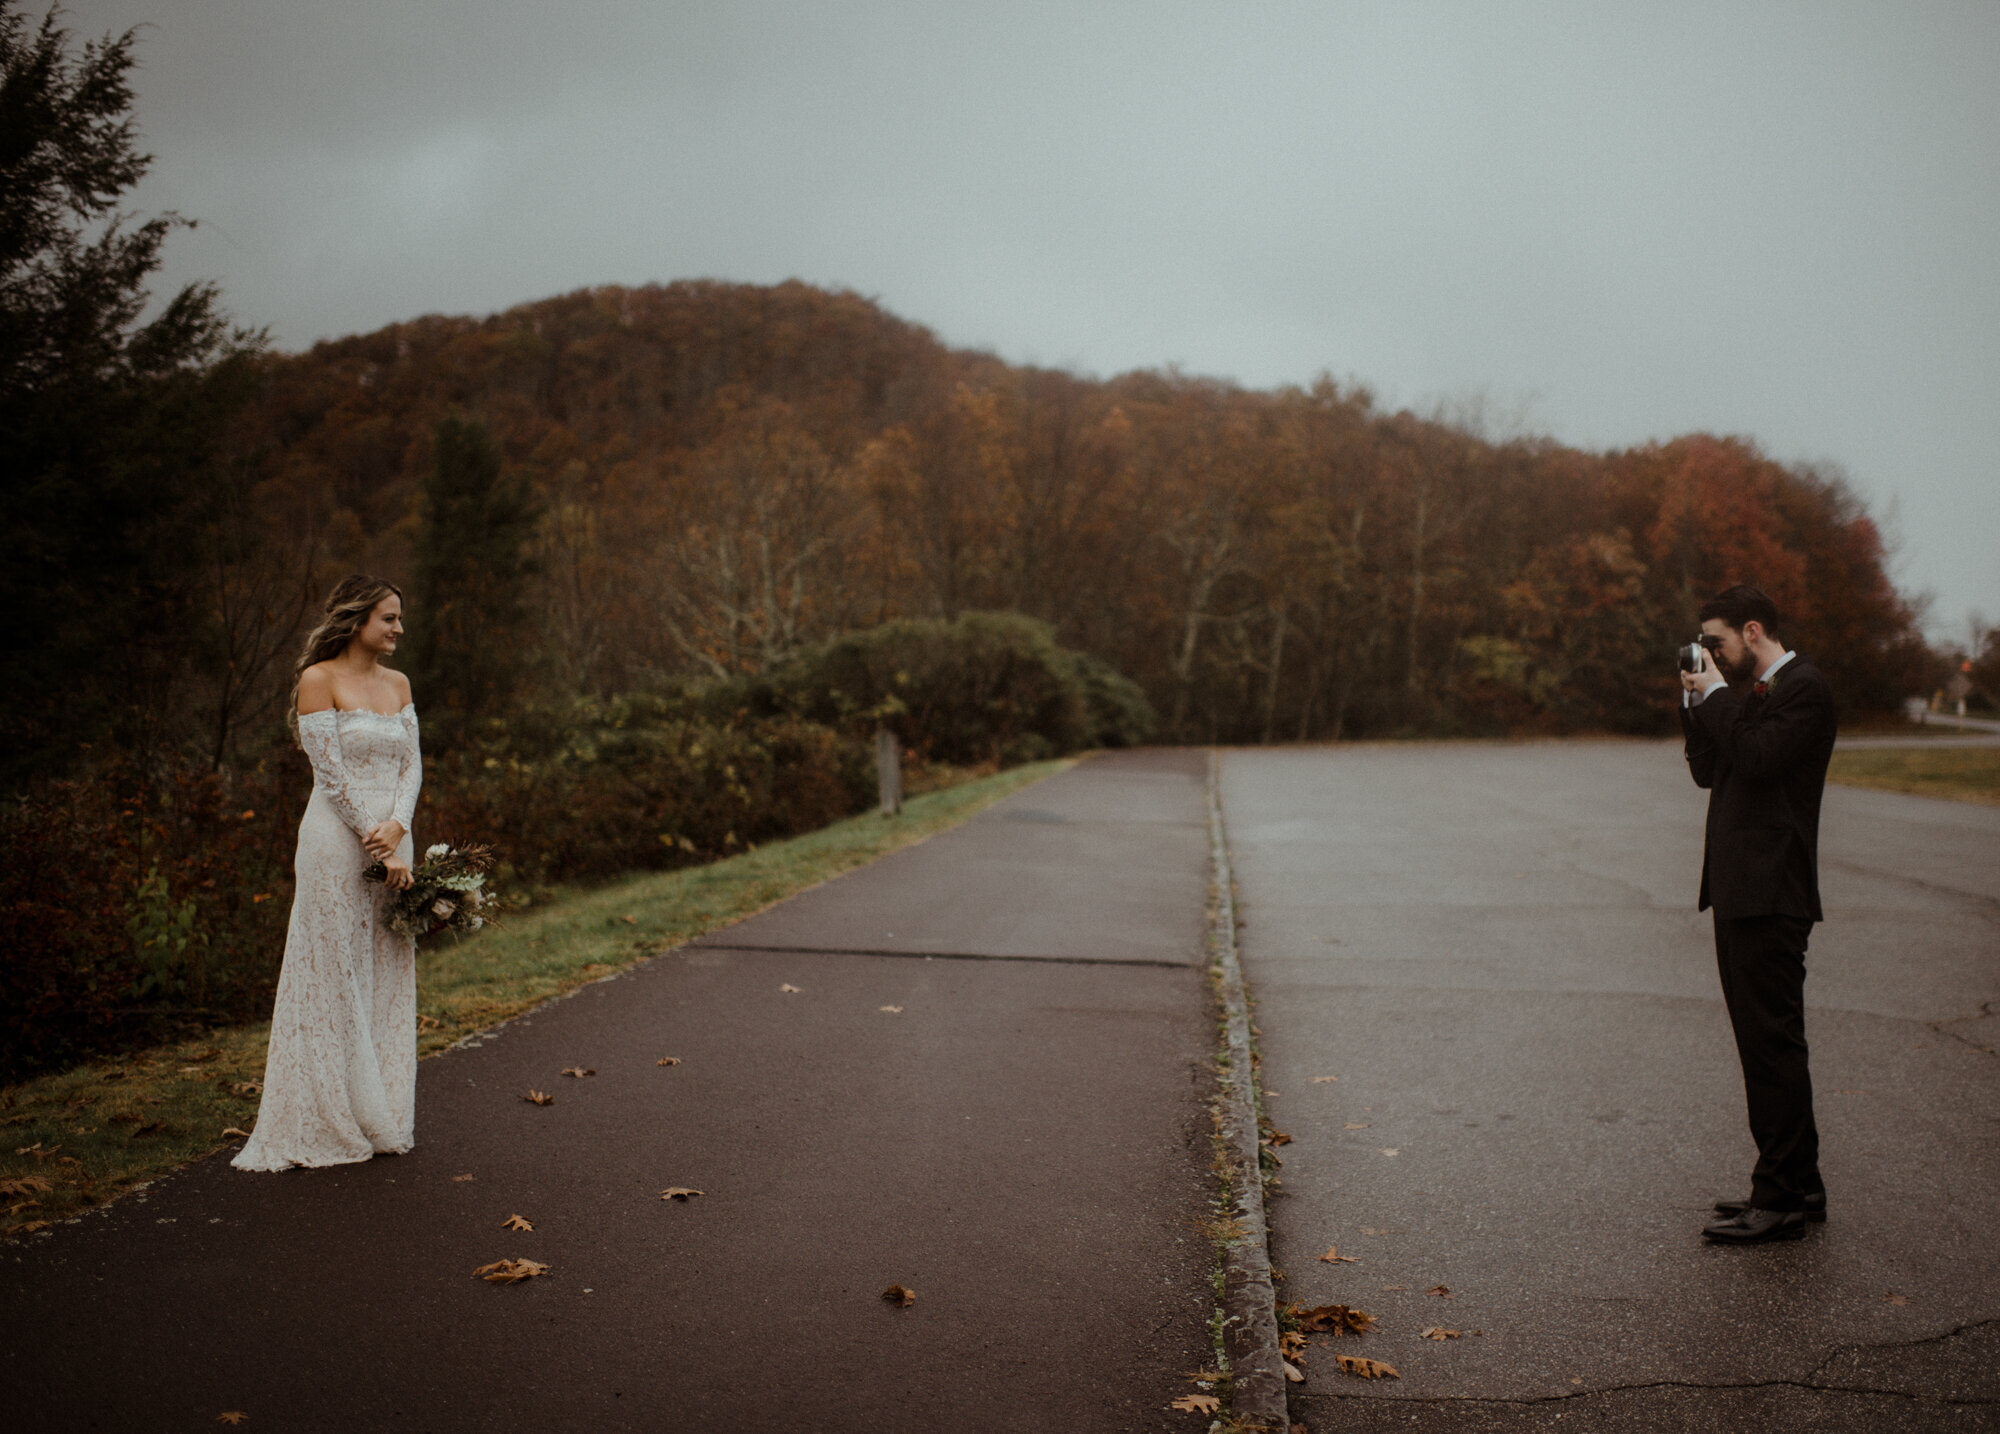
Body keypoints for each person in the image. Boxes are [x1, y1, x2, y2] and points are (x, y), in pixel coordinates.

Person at [234, 576, 422, 1171]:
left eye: (399, 619)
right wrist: (378, 842)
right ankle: (325, 1114)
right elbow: (332, 776)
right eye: (388, 618)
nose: (398, 628)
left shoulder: (399, 684)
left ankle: (380, 1110)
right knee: (333, 963)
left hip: (394, 832)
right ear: (358, 619)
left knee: (385, 964)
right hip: (337, 840)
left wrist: (399, 828)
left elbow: (413, 764)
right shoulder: (318, 680)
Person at [1678, 583, 1837, 1242]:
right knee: (1768, 1043)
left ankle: (1776, 1199)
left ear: (1751, 629)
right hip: (1747, 891)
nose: (1711, 653)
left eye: (1715, 642)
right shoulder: (1749, 699)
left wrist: (1717, 696)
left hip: (1772, 894)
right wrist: (1696, 699)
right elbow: (1711, 769)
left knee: (1771, 1046)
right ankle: (1800, 1185)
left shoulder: (1804, 688)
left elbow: (1758, 757)